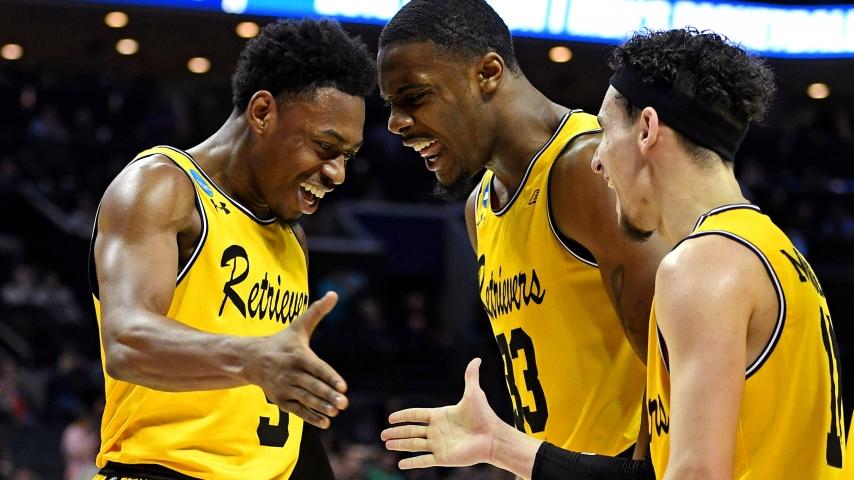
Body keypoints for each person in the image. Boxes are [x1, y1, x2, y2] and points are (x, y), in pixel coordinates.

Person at [381, 28, 849, 479]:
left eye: (605, 131)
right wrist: (502, 446)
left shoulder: (704, 268)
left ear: (646, 130)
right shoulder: (774, 251)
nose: (598, 157)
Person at [378, 0, 668, 458]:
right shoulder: (478, 209)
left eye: (414, 98)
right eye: (391, 106)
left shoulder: (588, 170)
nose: (396, 123)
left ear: (488, 73)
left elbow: (676, 359)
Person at [88, 19, 375, 479]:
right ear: (262, 112)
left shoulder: (292, 239)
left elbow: (271, 420)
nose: (337, 172)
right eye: (325, 146)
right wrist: (252, 360)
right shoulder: (162, 186)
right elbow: (125, 341)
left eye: (348, 156)